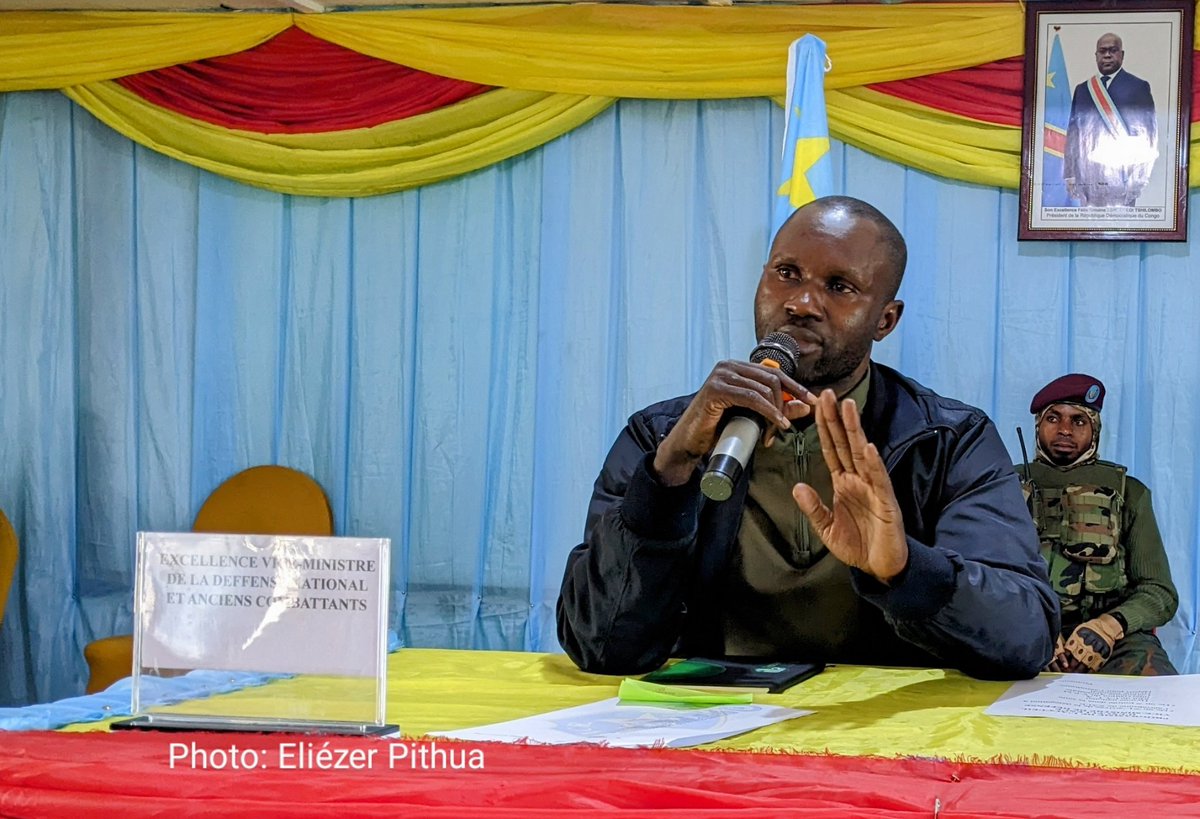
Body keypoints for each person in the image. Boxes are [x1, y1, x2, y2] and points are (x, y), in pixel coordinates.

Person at [557, 196, 1059, 681]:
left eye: (840, 287)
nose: (800, 304)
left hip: (878, 741)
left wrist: (906, 572)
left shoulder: (948, 441)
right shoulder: (661, 436)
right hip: (709, 734)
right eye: (787, 274)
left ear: (885, 320)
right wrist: (668, 477)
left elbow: (1024, 636)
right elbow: (600, 645)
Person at [1016, 374, 1178, 675]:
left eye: (1079, 421)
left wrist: (1110, 625)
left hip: (1111, 637)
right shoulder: (1001, 487)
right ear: (1038, 425)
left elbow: (1160, 592)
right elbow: (979, 576)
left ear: (1095, 430)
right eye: (1053, 418)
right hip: (1021, 631)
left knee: (1158, 691)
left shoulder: (1130, 493)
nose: (1065, 429)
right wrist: (1030, 630)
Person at [1063, 33, 1158, 207]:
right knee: (1087, 232)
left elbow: (1148, 135)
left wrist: (1139, 177)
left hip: (1123, 178)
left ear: (1122, 54)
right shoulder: (1083, 89)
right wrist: (1070, 174)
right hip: (1088, 177)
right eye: (1102, 51)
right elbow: (1073, 135)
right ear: (1096, 56)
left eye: (1112, 50)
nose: (1107, 55)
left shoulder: (1138, 86)